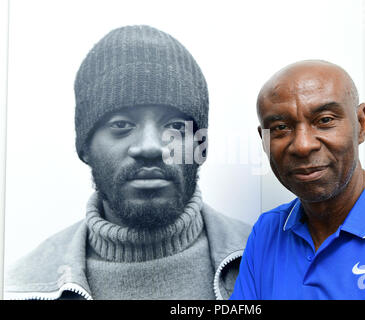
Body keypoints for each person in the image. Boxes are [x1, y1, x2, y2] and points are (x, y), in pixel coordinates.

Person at [5, 25, 250, 300]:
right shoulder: (19, 288)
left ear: (200, 146)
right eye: (121, 125)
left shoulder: (269, 261)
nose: (150, 147)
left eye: (175, 126)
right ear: (85, 147)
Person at [230, 60, 365, 300]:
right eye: (281, 127)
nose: (303, 145)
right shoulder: (267, 231)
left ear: (361, 123)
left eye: (325, 120)